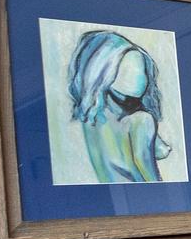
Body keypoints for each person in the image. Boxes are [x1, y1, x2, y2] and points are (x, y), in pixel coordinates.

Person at [67, 28, 173, 183]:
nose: (138, 79)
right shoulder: (141, 120)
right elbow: (151, 178)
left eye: (141, 70)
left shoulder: (90, 121)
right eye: (126, 71)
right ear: (103, 74)